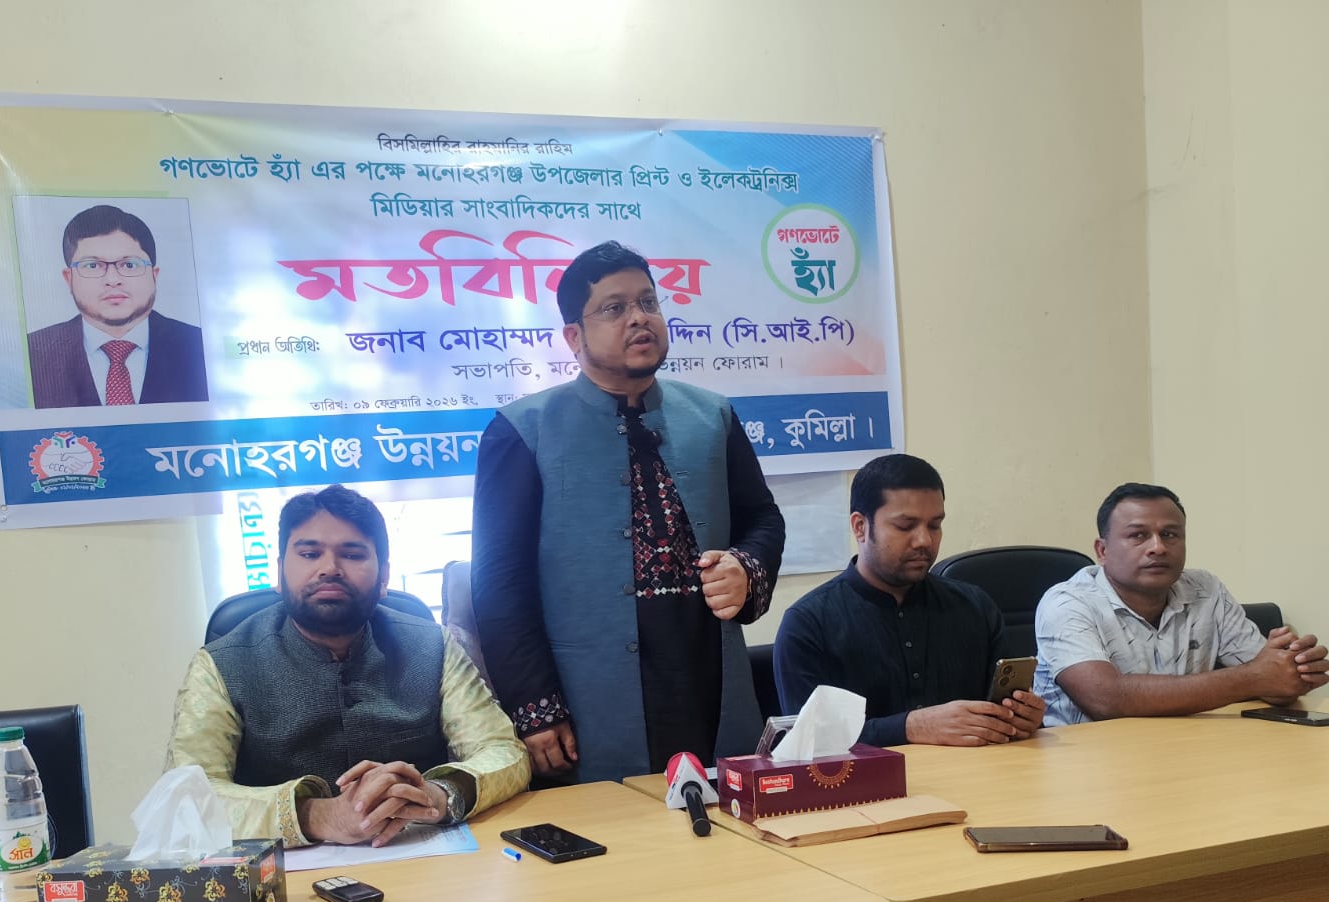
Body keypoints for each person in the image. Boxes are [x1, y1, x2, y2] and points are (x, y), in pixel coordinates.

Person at [471, 241, 784, 783]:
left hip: (708, 671)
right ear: (574, 337)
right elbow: (500, 581)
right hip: (589, 693)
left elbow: (762, 519)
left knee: (729, 818)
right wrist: (535, 708)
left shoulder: (712, 416)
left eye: (648, 302)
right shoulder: (523, 431)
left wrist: (745, 566)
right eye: (614, 308)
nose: (639, 318)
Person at [167, 485, 529, 847]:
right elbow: (184, 798)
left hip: (420, 853)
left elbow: (503, 751)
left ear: (384, 577)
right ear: (278, 572)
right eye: (309, 554)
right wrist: (318, 816)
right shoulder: (219, 665)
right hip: (282, 872)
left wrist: (440, 794)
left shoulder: (434, 645)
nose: (330, 569)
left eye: (353, 555)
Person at [773, 454, 1045, 747]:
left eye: (935, 525)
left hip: (978, 771)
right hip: (870, 777)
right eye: (905, 526)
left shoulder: (975, 607)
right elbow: (808, 742)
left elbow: (1003, 715)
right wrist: (909, 727)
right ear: (860, 527)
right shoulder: (809, 623)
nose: (924, 540)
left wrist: (1023, 717)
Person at [1034, 483, 1327, 724]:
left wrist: (1293, 671)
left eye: (1170, 534)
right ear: (1102, 550)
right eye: (1138, 535)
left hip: (1185, 748)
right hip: (1087, 760)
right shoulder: (1067, 602)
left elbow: (1269, 679)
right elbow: (1106, 699)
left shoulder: (1206, 590)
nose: (1158, 547)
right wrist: (1255, 678)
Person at [27, 203, 209, 409]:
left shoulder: (199, 345)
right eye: (92, 266)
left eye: (129, 265)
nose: (113, 280)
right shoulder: (33, 353)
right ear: (69, 279)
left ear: (154, 275)